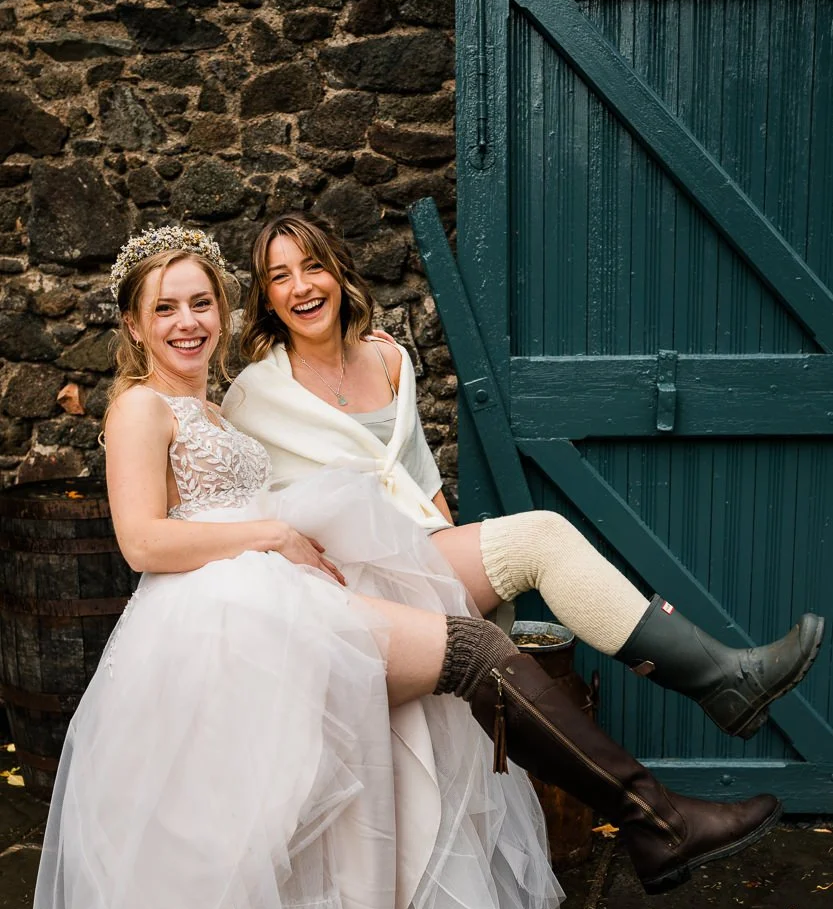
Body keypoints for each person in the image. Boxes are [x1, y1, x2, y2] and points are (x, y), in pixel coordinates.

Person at [32, 226, 779, 909]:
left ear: (224, 313)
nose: (188, 322)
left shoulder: (219, 409)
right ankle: (655, 820)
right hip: (221, 625)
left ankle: (653, 819)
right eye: (166, 308)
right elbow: (144, 542)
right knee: (464, 657)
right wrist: (267, 539)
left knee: (432, 692)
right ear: (133, 325)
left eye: (200, 303)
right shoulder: (143, 408)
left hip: (271, 603)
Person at [223, 212, 824, 745]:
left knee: (531, 556)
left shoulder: (389, 358)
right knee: (542, 536)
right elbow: (244, 512)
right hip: (350, 583)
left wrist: (458, 581)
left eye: (312, 267)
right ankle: (720, 680)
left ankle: (716, 690)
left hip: (421, 551)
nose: (300, 287)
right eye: (279, 277)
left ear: (339, 273)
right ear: (267, 300)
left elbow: (418, 474)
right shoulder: (255, 394)